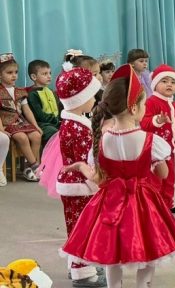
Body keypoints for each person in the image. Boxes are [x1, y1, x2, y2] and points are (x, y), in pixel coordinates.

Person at [60, 64, 175, 288]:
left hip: (109, 202)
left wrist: (81, 166)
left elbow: (98, 179)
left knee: (112, 249)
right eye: (143, 104)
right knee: (148, 246)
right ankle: (142, 285)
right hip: (142, 201)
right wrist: (154, 164)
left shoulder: (102, 140)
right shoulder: (150, 140)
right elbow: (163, 173)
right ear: (134, 108)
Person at [53, 67, 105, 287]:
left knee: (77, 226)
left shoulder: (72, 123)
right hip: (80, 185)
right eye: (91, 96)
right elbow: (85, 162)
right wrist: (97, 180)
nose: (94, 100)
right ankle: (83, 274)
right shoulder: (78, 128)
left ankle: (78, 265)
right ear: (79, 99)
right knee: (83, 228)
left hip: (75, 184)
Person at [141, 64, 175, 214]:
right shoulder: (151, 102)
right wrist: (157, 120)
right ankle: (153, 206)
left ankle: (167, 204)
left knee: (170, 178)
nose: (169, 84)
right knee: (155, 179)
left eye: (173, 82)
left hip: (169, 150)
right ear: (155, 84)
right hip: (154, 151)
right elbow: (143, 123)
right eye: (164, 81)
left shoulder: (174, 105)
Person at [0, 53, 42, 181]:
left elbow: (27, 110)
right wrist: (1, 129)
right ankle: (35, 166)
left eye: (16, 72)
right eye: (9, 73)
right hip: (7, 123)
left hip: (20, 122)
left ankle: (27, 168)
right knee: (22, 137)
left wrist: (35, 125)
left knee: (36, 135)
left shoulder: (20, 91)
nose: (14, 75)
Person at [26, 59, 61, 145]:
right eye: (45, 74)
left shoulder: (51, 91)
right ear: (34, 77)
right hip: (42, 124)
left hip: (55, 122)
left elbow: (58, 109)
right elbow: (39, 116)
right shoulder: (32, 94)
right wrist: (56, 121)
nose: (49, 76)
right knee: (54, 132)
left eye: (50, 73)